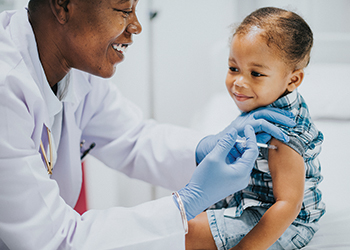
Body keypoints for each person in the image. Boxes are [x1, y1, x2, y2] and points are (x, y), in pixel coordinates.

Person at [0, 1, 296, 249]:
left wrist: (204, 150)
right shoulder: (5, 84)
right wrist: (186, 203)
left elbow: (133, 138)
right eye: (123, 10)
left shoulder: (75, 69)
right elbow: (55, 240)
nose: (136, 26)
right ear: (63, 5)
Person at [185, 7, 325, 250]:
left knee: (184, 233)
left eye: (256, 73)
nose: (239, 82)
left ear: (293, 80)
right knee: (178, 220)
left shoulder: (283, 134)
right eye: (233, 68)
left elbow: (288, 205)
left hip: (283, 222)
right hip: (252, 200)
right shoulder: (267, 100)